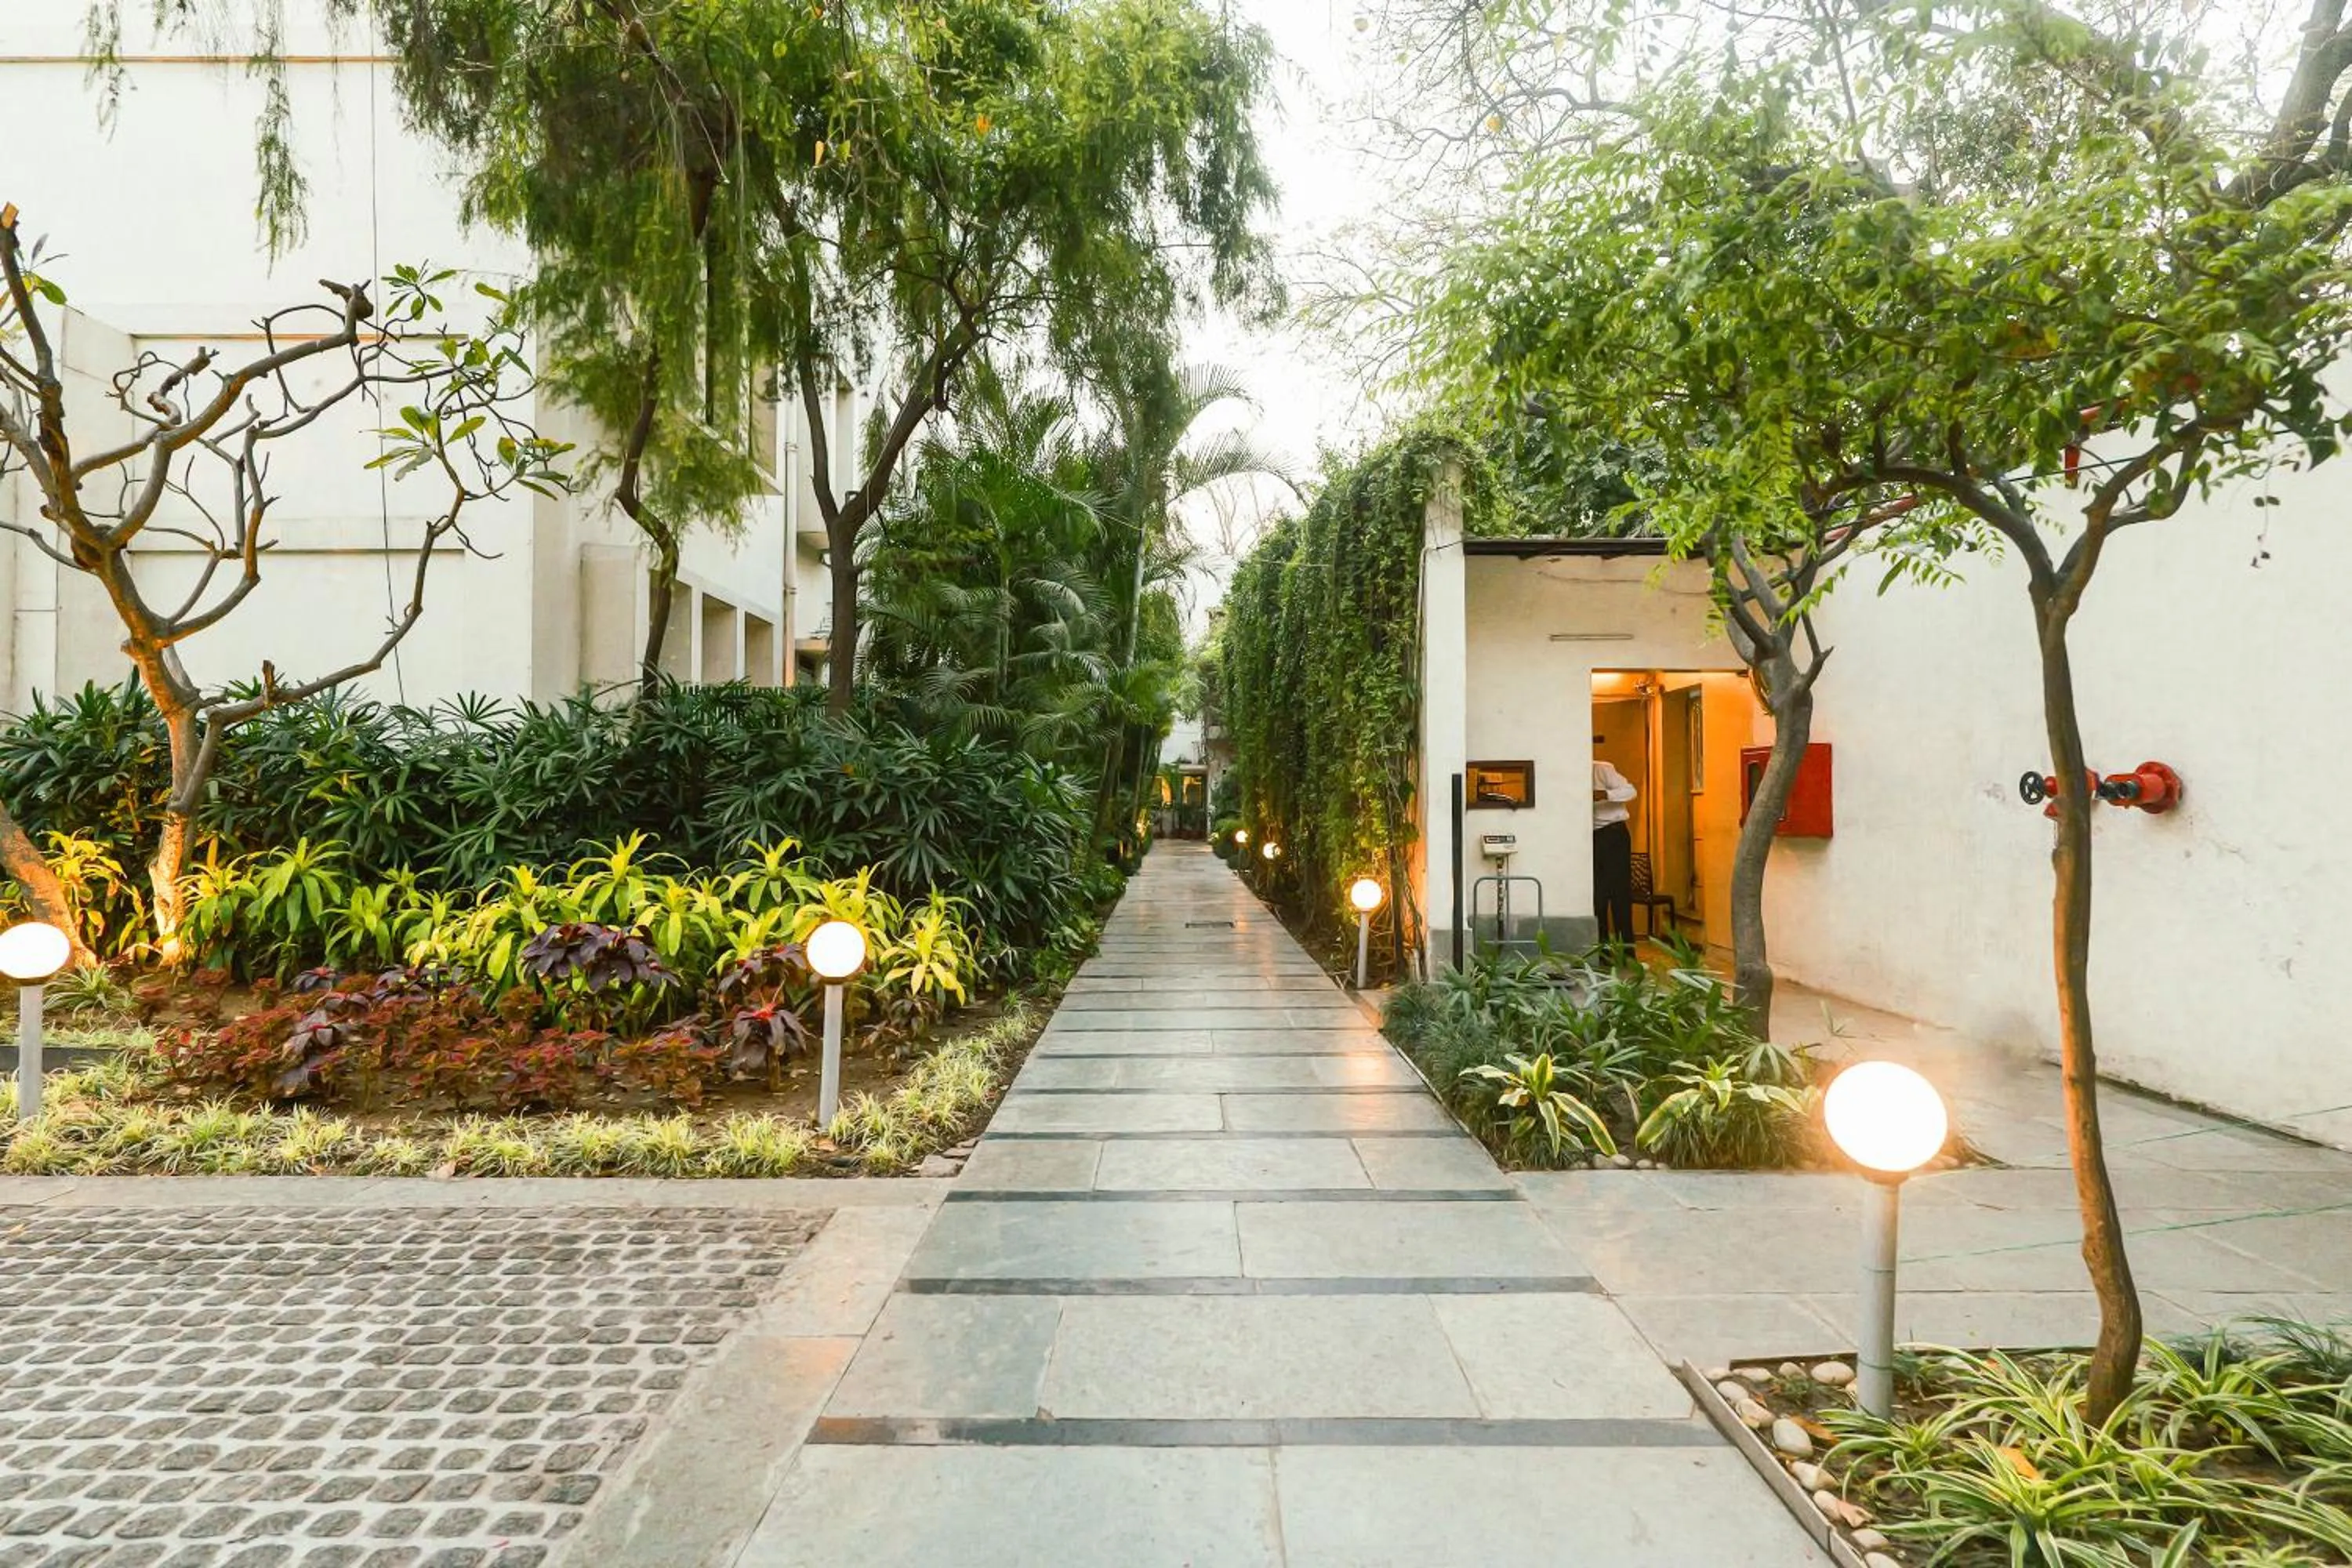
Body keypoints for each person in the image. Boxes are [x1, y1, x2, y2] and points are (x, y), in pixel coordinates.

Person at [1592, 739, 1637, 949]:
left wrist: (1605, 794)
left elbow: (1631, 791)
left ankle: (1627, 952)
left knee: (1620, 895)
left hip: (1614, 834)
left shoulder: (1601, 769)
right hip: (1592, 837)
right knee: (1597, 897)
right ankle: (1603, 952)